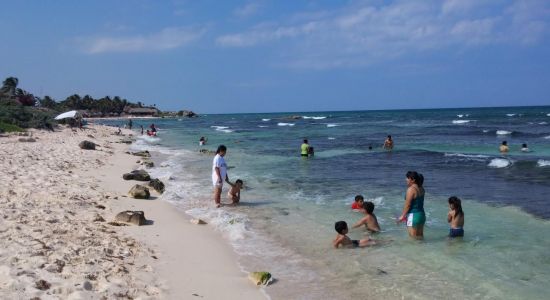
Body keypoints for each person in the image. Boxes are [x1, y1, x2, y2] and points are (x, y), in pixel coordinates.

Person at [398, 171, 425, 239]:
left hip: (413, 216)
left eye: (407, 178)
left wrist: (402, 216)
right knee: (420, 238)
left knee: (413, 240)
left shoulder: (411, 189)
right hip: (421, 215)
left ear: (413, 180)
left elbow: (408, 205)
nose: (406, 179)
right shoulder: (422, 188)